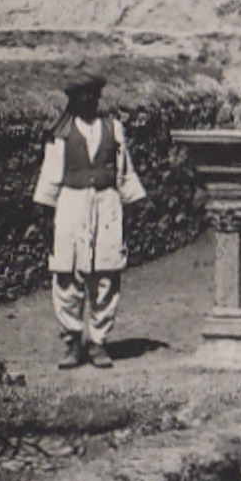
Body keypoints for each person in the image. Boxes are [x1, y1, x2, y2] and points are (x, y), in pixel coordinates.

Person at [32, 67, 147, 369]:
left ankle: (97, 342)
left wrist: (133, 205)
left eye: (93, 95)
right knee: (67, 275)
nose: (89, 100)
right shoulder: (61, 133)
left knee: (106, 276)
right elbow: (49, 177)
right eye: (82, 95)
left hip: (107, 206)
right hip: (71, 205)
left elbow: (124, 171)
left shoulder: (113, 128)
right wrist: (47, 216)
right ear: (72, 99)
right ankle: (72, 341)